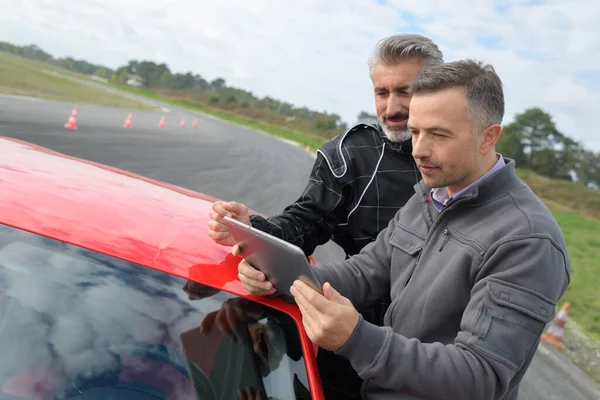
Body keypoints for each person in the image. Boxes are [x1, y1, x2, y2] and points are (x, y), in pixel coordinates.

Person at [236, 59, 571, 399]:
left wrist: (357, 339)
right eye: (415, 131)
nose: (418, 150)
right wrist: (286, 279)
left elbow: (481, 375)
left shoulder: (529, 240)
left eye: (438, 134)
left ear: (488, 138)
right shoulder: (431, 193)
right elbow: (368, 271)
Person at [208, 34, 444, 399]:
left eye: (406, 91)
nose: (392, 107)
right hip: (350, 337)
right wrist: (252, 232)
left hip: (434, 357)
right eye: (382, 92)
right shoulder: (352, 155)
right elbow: (304, 222)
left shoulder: (461, 161)